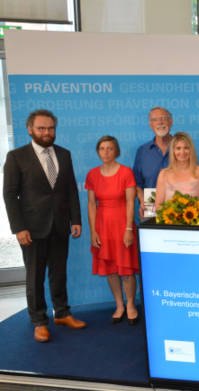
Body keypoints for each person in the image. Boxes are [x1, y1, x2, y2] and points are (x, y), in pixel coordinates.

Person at [3, 109, 84, 342]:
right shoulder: (17, 156)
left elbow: (70, 190)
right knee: (35, 276)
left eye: (50, 128)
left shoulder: (64, 154)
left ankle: (62, 313)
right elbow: (9, 195)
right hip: (32, 228)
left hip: (60, 225)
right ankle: (39, 321)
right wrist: (19, 228)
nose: (47, 132)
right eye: (41, 128)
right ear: (30, 129)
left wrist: (75, 220)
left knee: (59, 273)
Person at [85, 136, 139, 325]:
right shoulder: (92, 174)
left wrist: (128, 229)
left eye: (109, 148)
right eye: (101, 148)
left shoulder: (126, 172)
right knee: (110, 269)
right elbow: (92, 204)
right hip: (102, 227)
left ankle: (131, 305)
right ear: (98, 151)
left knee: (126, 269)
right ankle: (119, 305)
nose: (105, 152)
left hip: (123, 226)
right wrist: (93, 231)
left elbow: (131, 202)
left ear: (116, 151)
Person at [133, 107, 173, 219]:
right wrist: (142, 200)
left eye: (164, 118)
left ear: (171, 122)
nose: (160, 122)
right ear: (150, 125)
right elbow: (137, 182)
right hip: (150, 208)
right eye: (155, 119)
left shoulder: (182, 149)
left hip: (178, 209)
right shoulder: (142, 151)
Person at [155, 133, 199, 205]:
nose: (182, 152)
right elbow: (159, 205)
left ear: (191, 150)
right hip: (169, 216)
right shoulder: (163, 173)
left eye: (186, 148)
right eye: (178, 148)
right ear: (173, 151)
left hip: (194, 216)